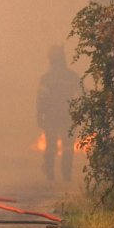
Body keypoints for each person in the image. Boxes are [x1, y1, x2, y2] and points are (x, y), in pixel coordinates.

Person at [36, 44, 77, 182]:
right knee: (67, 145)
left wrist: (39, 114)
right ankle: (66, 174)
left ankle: (50, 172)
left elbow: (41, 99)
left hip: (51, 115)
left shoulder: (46, 78)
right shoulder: (72, 77)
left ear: (51, 60)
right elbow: (80, 95)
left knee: (51, 145)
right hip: (68, 115)